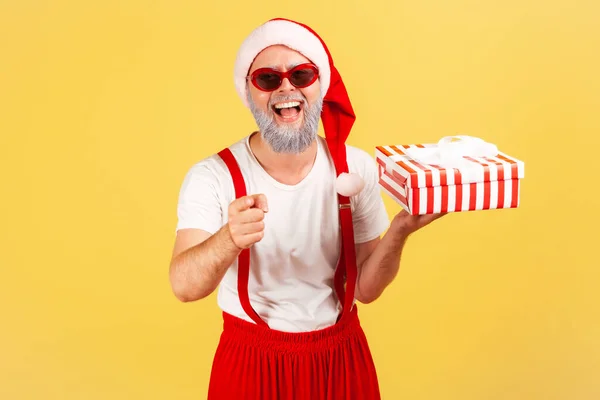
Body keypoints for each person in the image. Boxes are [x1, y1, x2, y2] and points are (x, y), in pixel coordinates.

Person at [169, 18, 444, 400]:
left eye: (301, 74)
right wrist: (228, 239)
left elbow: (365, 290)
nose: (287, 88)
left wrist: (401, 228)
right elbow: (183, 287)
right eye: (267, 79)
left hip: (341, 358)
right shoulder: (213, 176)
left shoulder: (355, 168)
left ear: (321, 86)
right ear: (249, 92)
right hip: (250, 360)